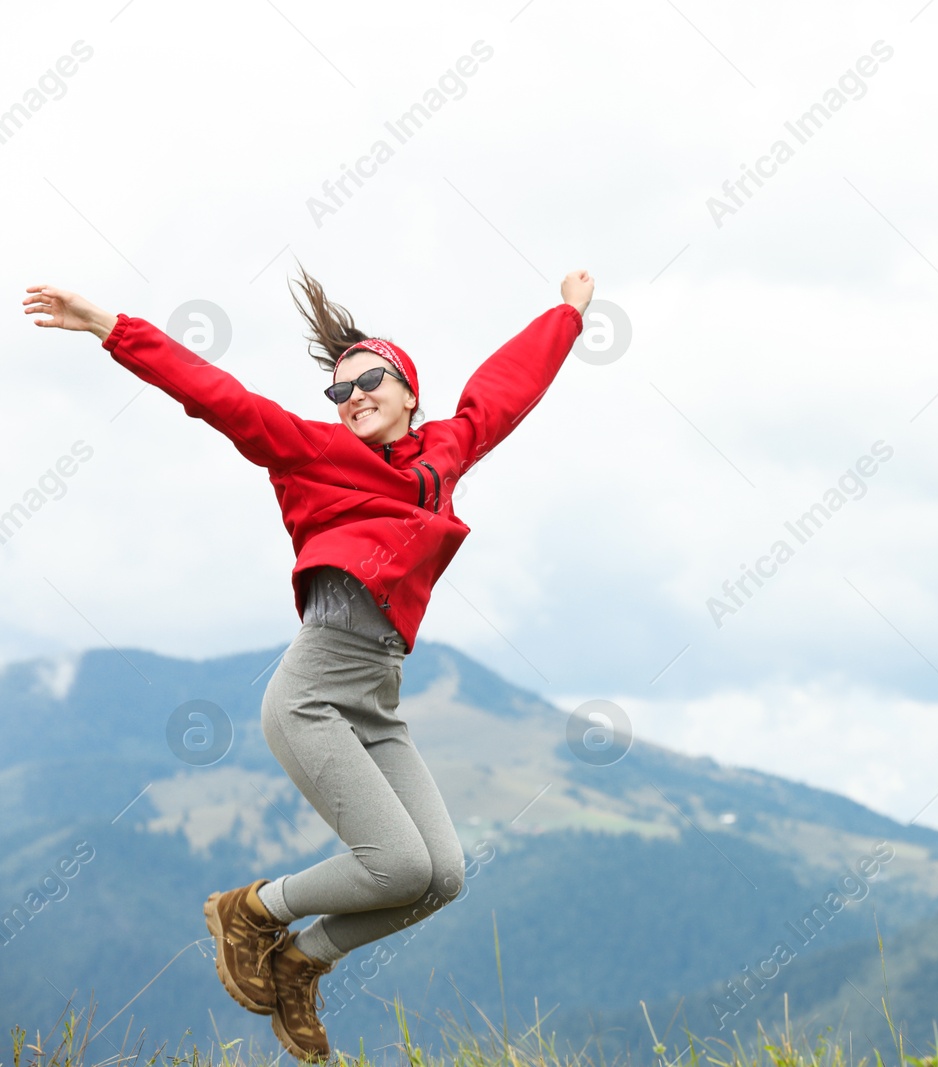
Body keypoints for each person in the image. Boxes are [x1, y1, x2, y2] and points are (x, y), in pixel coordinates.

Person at [21, 266, 594, 1061]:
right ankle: (250, 910)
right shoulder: (312, 452)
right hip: (316, 689)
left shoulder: (445, 453)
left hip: (376, 695)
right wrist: (111, 326)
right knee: (394, 861)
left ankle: (300, 960)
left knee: (442, 875)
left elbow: (504, 392)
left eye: (368, 381)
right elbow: (220, 397)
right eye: (339, 389)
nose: (352, 396)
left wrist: (564, 316)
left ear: (408, 392)